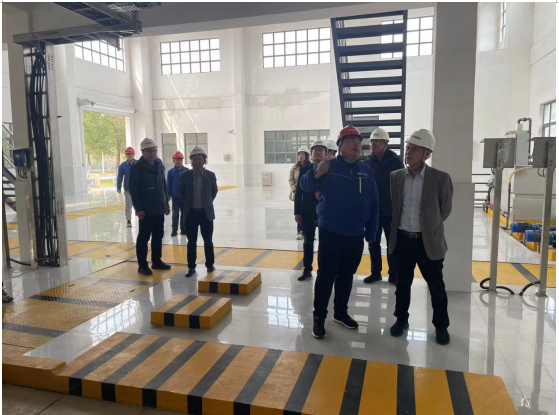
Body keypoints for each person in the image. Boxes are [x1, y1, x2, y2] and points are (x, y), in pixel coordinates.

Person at [300, 125, 379, 339]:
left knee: (347, 275)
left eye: (358, 142)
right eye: (351, 141)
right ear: (340, 145)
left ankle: (340, 313)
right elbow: (305, 186)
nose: (356, 145)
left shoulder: (366, 171)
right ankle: (319, 317)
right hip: (330, 231)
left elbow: (374, 202)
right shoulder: (329, 166)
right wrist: (317, 172)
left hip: (355, 233)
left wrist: (371, 231)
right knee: (326, 275)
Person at [388, 129, 453, 345]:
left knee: (436, 287)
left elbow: (445, 209)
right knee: (402, 285)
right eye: (408, 147)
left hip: (428, 242)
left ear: (427, 153)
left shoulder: (440, 178)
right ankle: (401, 319)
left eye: (414, 148)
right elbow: (396, 205)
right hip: (403, 240)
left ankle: (441, 326)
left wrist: (429, 226)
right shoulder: (396, 177)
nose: (408, 152)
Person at [363, 128, 404, 285]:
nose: (373, 145)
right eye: (371, 142)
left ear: (385, 144)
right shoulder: (367, 163)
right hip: (373, 211)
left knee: (392, 244)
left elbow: (402, 185)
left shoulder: (396, 161)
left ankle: (393, 273)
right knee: (373, 243)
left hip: (391, 210)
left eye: (377, 142)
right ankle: (376, 273)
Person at [129, 138, 172, 276]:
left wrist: (166, 203)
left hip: (159, 208)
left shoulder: (158, 166)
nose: (152, 153)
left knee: (158, 236)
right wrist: (138, 208)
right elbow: (134, 190)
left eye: (154, 150)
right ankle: (142, 265)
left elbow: (163, 186)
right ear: (143, 152)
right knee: (144, 238)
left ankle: (156, 261)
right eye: (149, 151)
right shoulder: (136, 169)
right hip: (146, 210)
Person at [180, 147, 218, 278]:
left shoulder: (211, 175)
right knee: (191, 242)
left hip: (206, 213)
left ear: (204, 160)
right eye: (194, 159)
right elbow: (182, 193)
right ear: (191, 161)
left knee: (208, 241)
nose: (197, 161)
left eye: (199, 159)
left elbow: (213, 192)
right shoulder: (184, 176)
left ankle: (210, 265)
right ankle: (191, 266)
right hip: (191, 214)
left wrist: (207, 202)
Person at [294, 140, 327, 281]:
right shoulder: (305, 170)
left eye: (321, 150)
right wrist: (297, 212)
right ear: (311, 154)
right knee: (308, 242)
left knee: (324, 243)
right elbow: (299, 193)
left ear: (325, 153)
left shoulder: (330, 169)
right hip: (308, 211)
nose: (318, 152)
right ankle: (307, 269)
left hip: (326, 212)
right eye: (315, 150)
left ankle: (323, 270)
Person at [289, 147, 310, 240]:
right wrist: (295, 189)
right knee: (298, 212)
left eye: (302, 154)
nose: (300, 156)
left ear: (306, 156)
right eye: (299, 154)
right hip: (297, 193)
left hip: (308, 193)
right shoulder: (294, 168)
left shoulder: (310, 166)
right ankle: (300, 231)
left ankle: (309, 231)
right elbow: (291, 180)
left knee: (308, 212)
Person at [167, 151, 189, 237]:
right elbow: (169, 184)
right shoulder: (170, 172)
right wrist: (168, 194)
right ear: (174, 161)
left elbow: (189, 184)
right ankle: (174, 229)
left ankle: (183, 229)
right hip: (175, 197)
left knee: (184, 213)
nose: (179, 161)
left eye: (180, 160)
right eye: (177, 160)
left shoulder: (187, 171)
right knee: (175, 214)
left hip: (184, 197)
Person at [116, 147, 137, 227]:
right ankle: (128, 220)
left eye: (131, 154)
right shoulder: (123, 166)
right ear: (126, 155)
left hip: (138, 188)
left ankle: (141, 218)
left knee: (140, 203)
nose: (130, 156)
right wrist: (118, 187)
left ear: (134, 154)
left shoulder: (138, 164)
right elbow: (120, 177)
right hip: (128, 188)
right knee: (128, 204)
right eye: (128, 154)